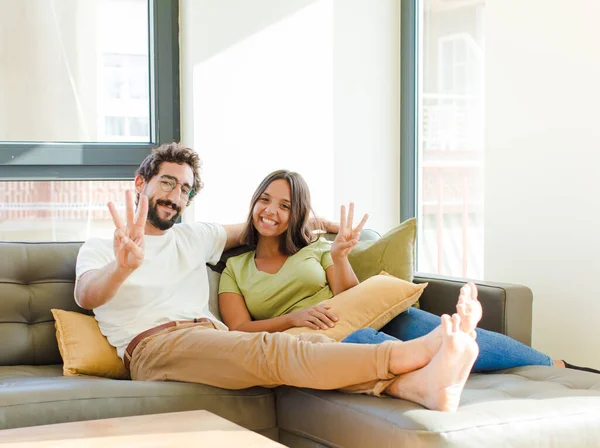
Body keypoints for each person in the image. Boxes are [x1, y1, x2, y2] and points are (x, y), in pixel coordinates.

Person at [74, 142, 479, 413]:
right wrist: (123, 267)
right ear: (141, 182)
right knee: (272, 349)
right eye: (167, 182)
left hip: (214, 337)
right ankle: (415, 353)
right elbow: (87, 295)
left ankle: (417, 388)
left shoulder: (196, 236)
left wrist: (333, 228)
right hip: (154, 346)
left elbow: (262, 224)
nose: (175, 195)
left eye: (185, 189)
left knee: (307, 345)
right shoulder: (101, 247)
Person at [218, 169, 598, 374]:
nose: (271, 211)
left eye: (285, 206)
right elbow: (238, 329)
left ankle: (559, 366)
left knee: (451, 329)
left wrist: (339, 257)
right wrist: (293, 318)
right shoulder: (234, 267)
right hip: (319, 340)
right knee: (368, 341)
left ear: (296, 214)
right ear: (253, 203)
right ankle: (435, 365)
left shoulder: (316, 248)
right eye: (265, 200)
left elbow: (352, 295)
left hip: (367, 315)